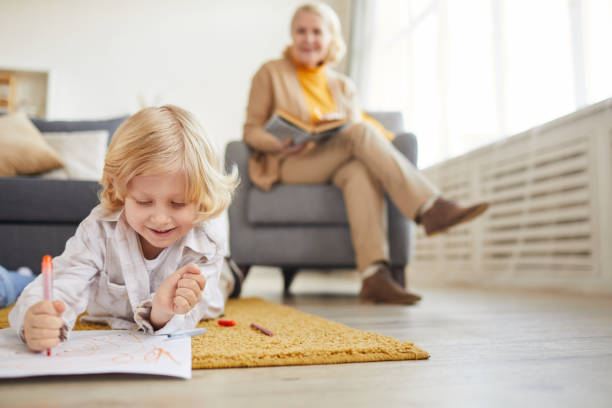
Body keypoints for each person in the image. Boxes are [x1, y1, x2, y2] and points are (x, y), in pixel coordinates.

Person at [242, 3, 489, 304]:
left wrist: (388, 141)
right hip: (289, 161)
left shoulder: (343, 85)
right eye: (301, 31)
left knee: (359, 171)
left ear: (331, 38)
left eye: (316, 31)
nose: (308, 39)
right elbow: (251, 130)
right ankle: (429, 208)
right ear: (292, 35)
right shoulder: (270, 73)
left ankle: (374, 276)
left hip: (333, 160)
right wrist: (278, 144)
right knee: (358, 133)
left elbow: (362, 125)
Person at [9, 105, 240, 353]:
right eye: (143, 201)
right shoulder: (99, 229)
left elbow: (190, 316)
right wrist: (35, 321)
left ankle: (231, 273)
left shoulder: (207, 238)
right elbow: (62, 283)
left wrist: (161, 312)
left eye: (178, 203)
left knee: (223, 284)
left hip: (210, 291)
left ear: (202, 197)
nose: (161, 219)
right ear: (119, 188)